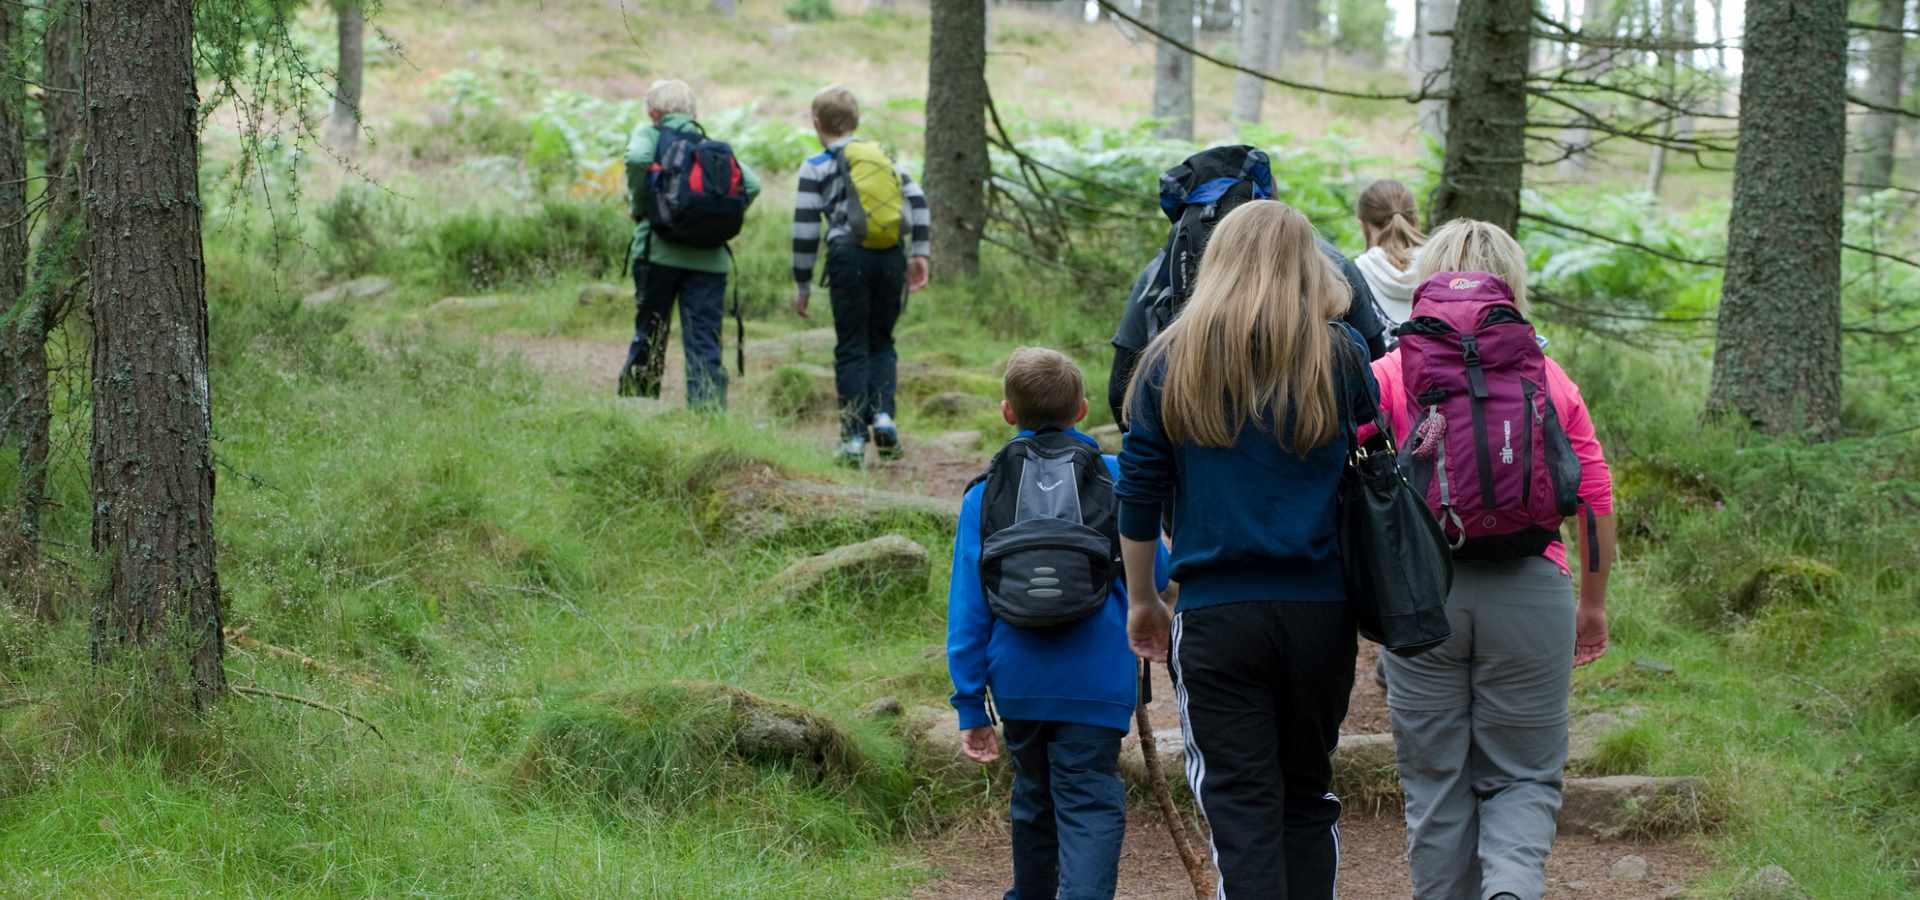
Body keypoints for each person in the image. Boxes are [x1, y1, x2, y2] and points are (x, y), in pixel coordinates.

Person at [1118, 200, 1378, 899]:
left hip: (1216, 614)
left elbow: (1138, 496)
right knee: (1306, 794)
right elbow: (1373, 464)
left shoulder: (1170, 359)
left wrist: (1144, 599)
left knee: (1240, 808)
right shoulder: (1343, 355)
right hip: (1321, 613)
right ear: (1307, 266)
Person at [1368, 219, 1617, 900]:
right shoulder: (1546, 377)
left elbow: (1355, 488)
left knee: (1435, 780)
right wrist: (1591, 605)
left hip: (1423, 601)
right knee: (1524, 775)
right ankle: (1509, 888)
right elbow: (1593, 497)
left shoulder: (1390, 373)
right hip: (1532, 588)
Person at [947, 347, 1168, 900]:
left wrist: (971, 704)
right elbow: (1159, 570)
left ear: (1007, 413)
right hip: (1097, 682)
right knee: (1089, 798)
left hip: (1017, 683)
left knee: (1033, 796)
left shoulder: (984, 492)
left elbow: (969, 609)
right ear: (1082, 409)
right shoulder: (1115, 477)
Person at [1107, 214, 1386, 430]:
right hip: (1321, 504)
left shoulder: (1168, 355)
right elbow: (1369, 408)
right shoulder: (1340, 349)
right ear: (1311, 264)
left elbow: (1139, 455)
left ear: (1214, 262)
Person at [790, 85, 932, 467]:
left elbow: (804, 228)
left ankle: (853, 439)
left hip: (847, 255)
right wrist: (920, 253)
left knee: (852, 345)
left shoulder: (816, 165)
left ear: (816, 122)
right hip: (890, 256)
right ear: (856, 122)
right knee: (882, 341)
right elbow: (917, 201)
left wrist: (802, 284)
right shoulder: (883, 159)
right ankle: (884, 417)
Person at [619, 79, 761, 408]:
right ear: (692, 111)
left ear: (653, 112)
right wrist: (712, 222)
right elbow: (751, 186)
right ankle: (707, 418)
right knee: (704, 342)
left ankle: (637, 409)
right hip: (710, 261)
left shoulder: (651, 134)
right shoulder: (708, 146)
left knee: (650, 334)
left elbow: (638, 158)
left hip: (657, 255)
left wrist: (643, 206)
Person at [1352, 178, 1428, 341]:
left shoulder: (1353, 275)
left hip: (1380, 366)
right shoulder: (1440, 265)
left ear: (1363, 225)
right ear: (1415, 218)